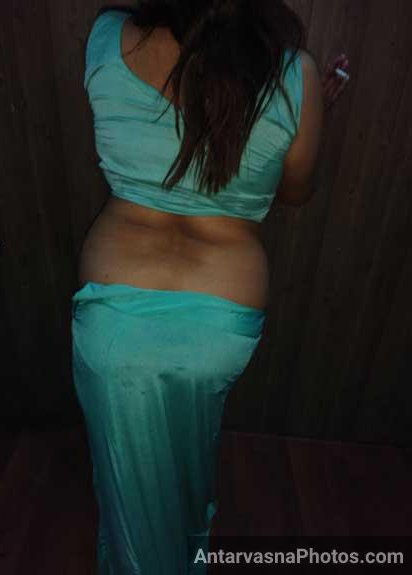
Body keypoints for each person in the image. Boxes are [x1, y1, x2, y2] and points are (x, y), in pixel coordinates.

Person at [71, 1, 350, 573]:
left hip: (114, 319)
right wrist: (306, 111)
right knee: (190, 451)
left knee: (127, 473)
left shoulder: (106, 37)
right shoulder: (295, 74)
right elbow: (294, 193)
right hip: (218, 323)